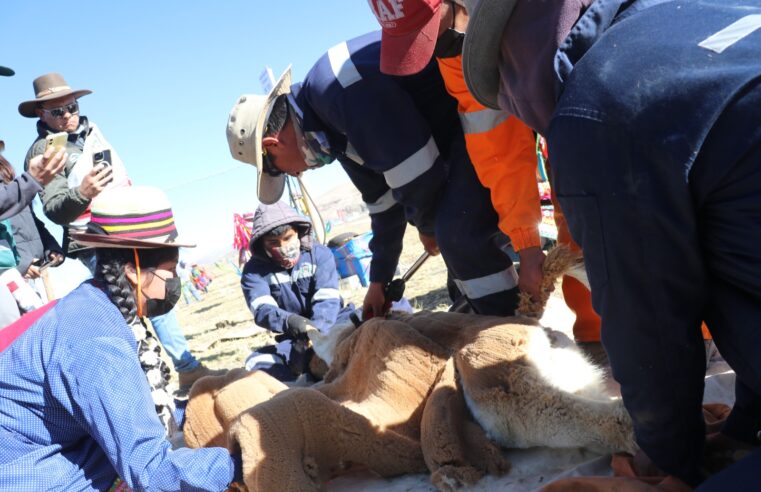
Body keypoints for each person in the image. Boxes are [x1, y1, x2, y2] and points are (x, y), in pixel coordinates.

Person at [463, 0, 761, 485]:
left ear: (515, 64)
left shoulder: (596, 109)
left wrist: (667, 462)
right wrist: (747, 423)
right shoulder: (696, 12)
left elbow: (647, 323)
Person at [227, 31, 521, 319]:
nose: (296, 173)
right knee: (455, 243)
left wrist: (428, 227)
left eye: (280, 169)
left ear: (272, 144)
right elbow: (384, 204)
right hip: (456, 132)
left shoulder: (333, 91)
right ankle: (496, 310)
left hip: (480, 104)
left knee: (458, 234)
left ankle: (511, 330)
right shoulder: (332, 131)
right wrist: (379, 281)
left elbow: (417, 172)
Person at [369, 0, 603, 351]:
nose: (430, 45)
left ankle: (703, 333)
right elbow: (496, 146)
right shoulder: (451, 50)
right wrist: (526, 245)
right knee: (577, 211)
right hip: (562, 114)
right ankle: (599, 335)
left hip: (598, 75)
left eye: (429, 29)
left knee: (601, 199)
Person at [0, 186, 241, 490]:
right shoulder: (97, 340)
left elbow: (141, 405)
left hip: (56, 448)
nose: (175, 283)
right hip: (27, 472)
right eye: (169, 272)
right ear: (134, 271)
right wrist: (242, 463)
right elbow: (151, 470)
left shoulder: (100, 307)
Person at [20, 72, 217, 389]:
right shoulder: (44, 153)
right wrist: (82, 192)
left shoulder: (92, 133)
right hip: (94, 241)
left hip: (128, 229)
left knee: (154, 291)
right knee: (128, 312)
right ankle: (148, 385)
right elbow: (54, 209)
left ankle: (185, 368)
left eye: (72, 107)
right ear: (41, 114)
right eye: (58, 111)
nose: (68, 115)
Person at [240, 202, 354, 381]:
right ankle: (308, 378)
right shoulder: (253, 272)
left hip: (334, 323)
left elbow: (328, 299)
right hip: (293, 339)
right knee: (256, 365)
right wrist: (290, 322)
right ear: (262, 244)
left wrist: (316, 336)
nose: (284, 247)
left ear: (298, 232)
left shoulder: (320, 255)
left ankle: (313, 372)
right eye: (274, 242)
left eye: (288, 238)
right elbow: (262, 309)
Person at [0, 150, 64, 317]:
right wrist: (22, 264)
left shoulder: (14, 187)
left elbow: (34, 222)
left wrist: (51, 247)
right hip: (9, 276)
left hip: (32, 275)